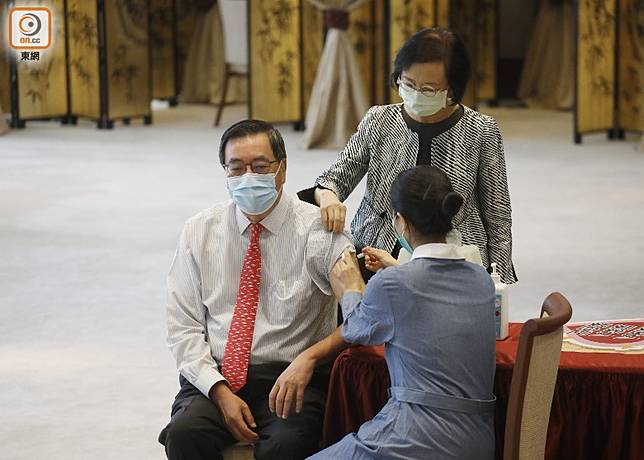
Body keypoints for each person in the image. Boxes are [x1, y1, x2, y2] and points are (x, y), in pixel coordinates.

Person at [158, 120, 354, 460]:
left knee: (287, 444)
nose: (248, 177)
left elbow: (361, 314)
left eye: (260, 167)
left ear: (282, 169)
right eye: (236, 168)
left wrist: (309, 358)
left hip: (290, 376)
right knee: (184, 434)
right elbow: (182, 327)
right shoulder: (199, 231)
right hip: (216, 374)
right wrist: (219, 391)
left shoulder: (319, 230)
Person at [304, 165, 497, 459]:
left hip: (416, 436)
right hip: (477, 440)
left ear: (400, 221)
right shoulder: (480, 278)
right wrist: (397, 268)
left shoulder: (393, 284)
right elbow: (432, 290)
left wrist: (352, 285)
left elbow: (356, 329)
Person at [298, 27, 517, 284]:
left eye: (428, 89)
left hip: (453, 258)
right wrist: (326, 195)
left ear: (453, 89)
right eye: (409, 84)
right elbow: (335, 179)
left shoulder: (480, 130)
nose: (416, 94)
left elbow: (498, 215)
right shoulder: (379, 119)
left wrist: (499, 283)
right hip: (376, 253)